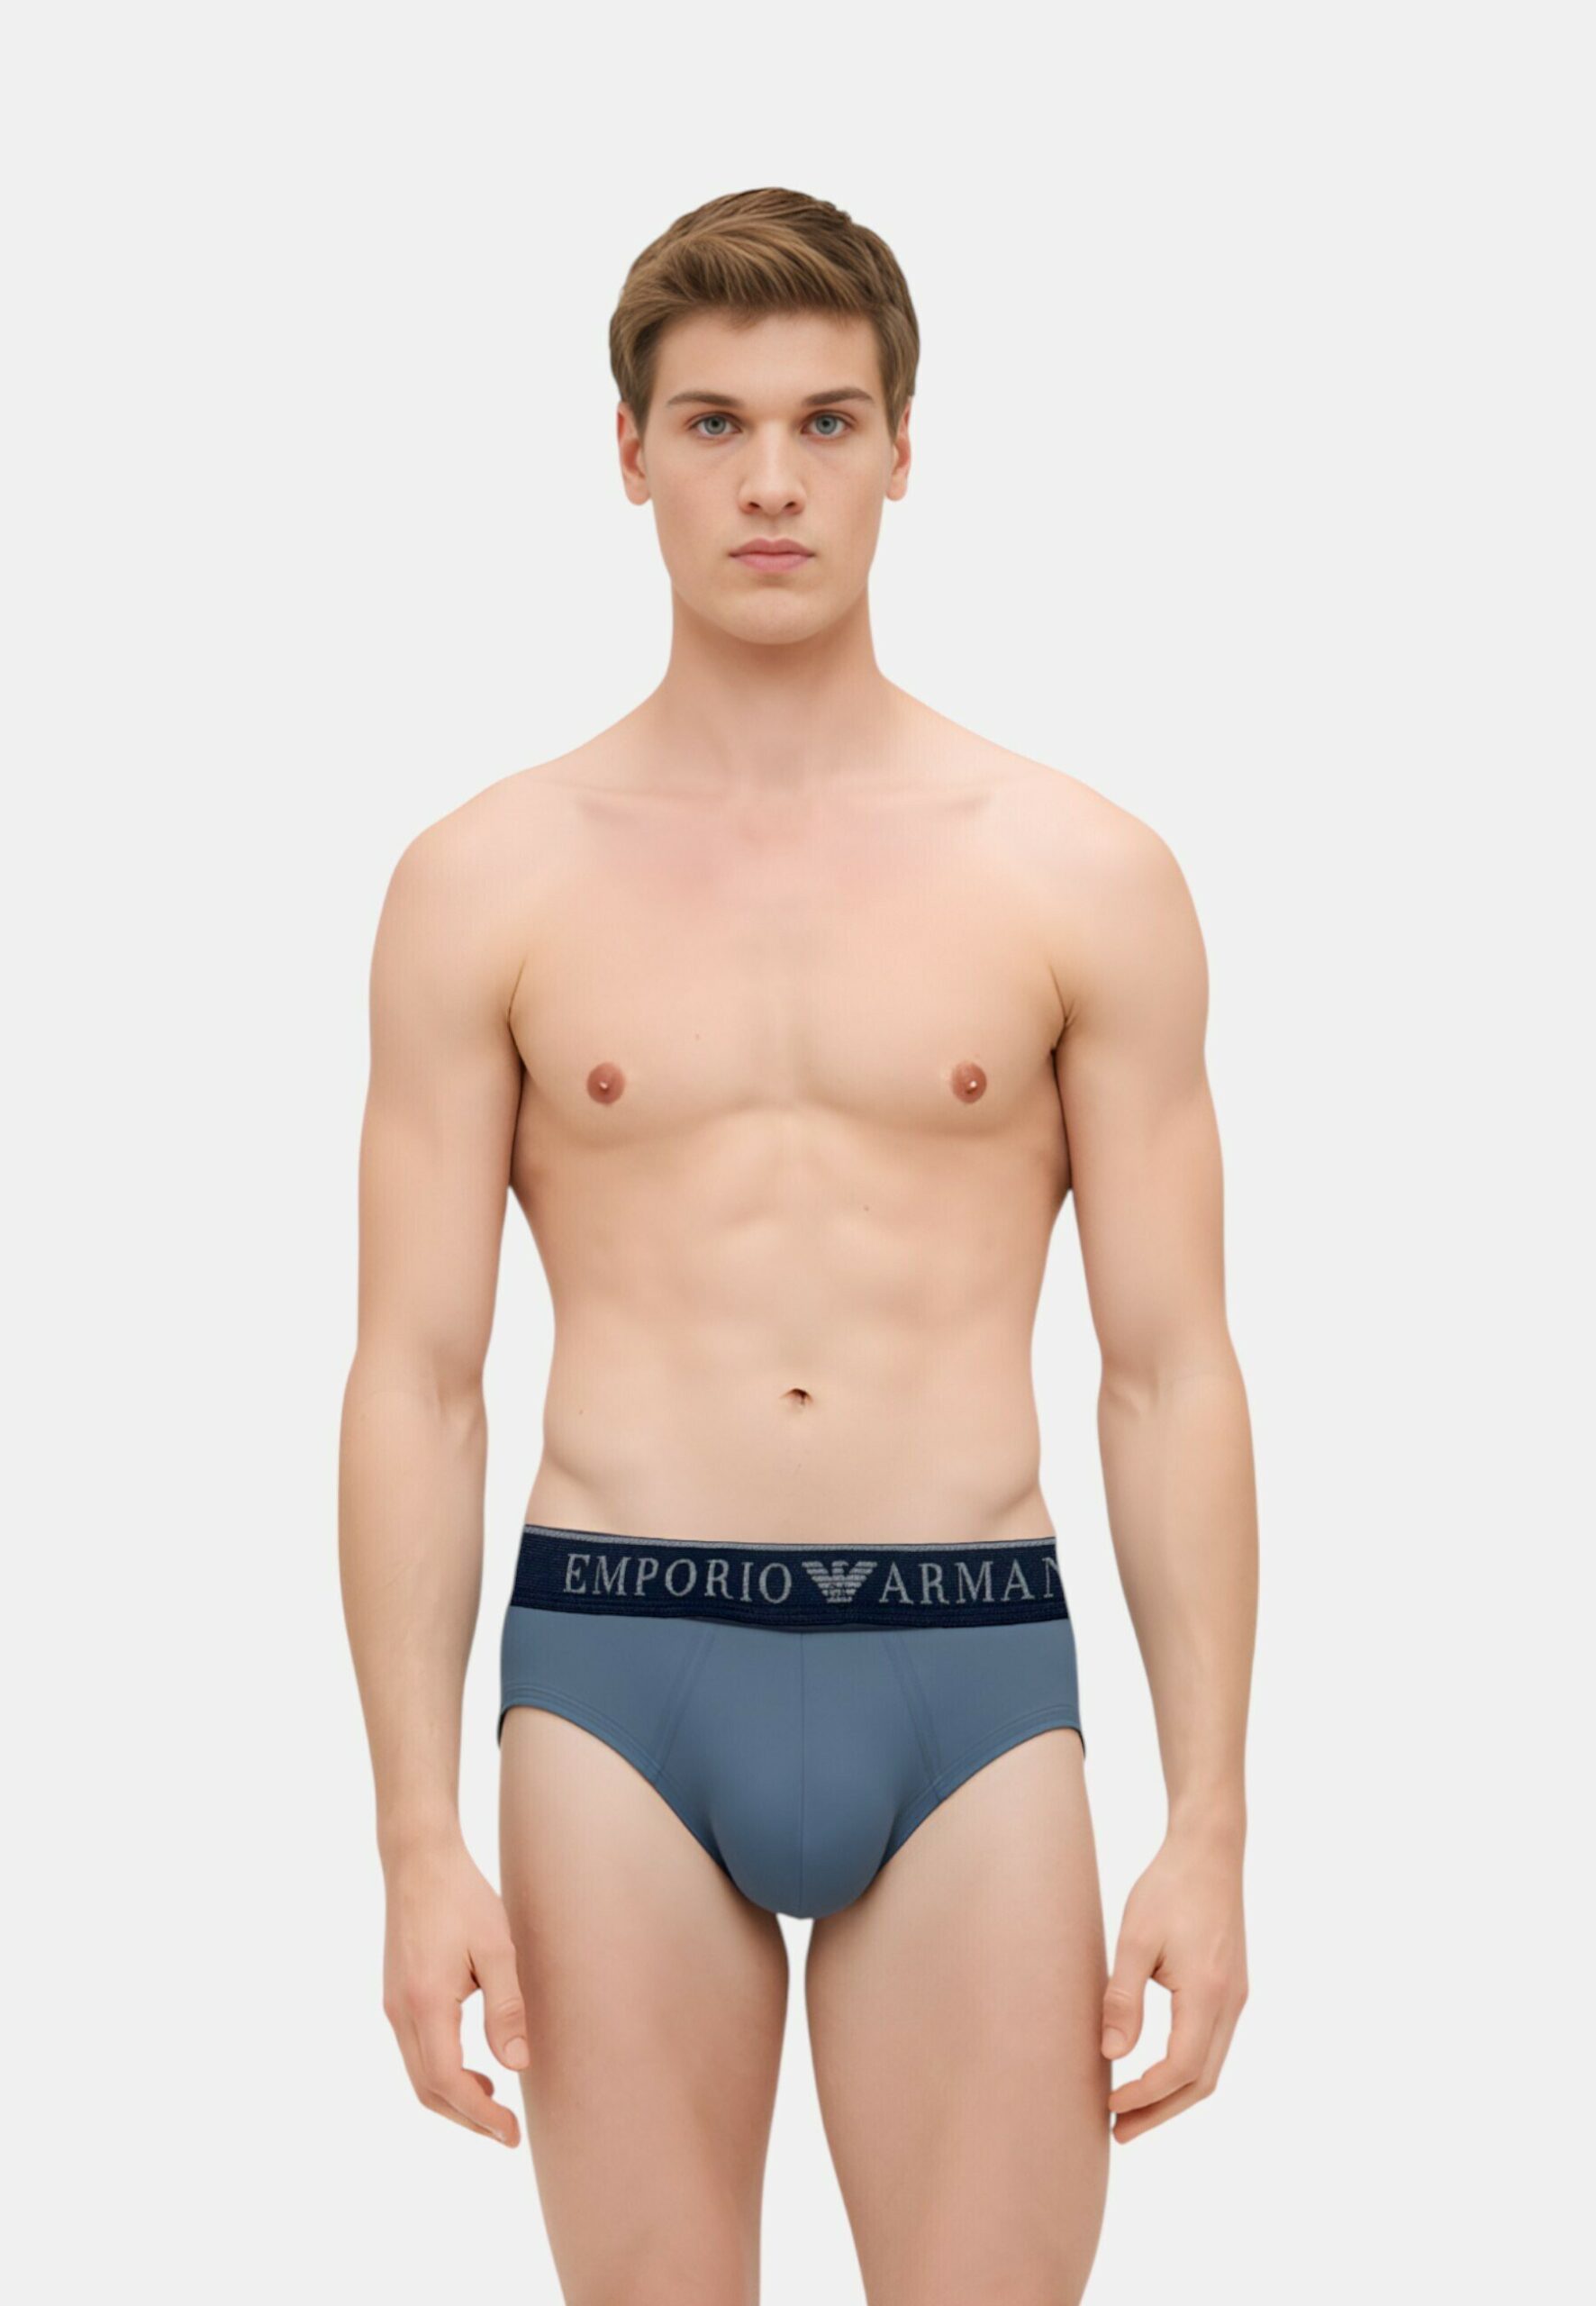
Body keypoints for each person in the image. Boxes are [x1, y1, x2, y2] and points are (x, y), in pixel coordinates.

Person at [340, 185, 1257, 2305]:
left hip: (969, 1666)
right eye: (717, 423)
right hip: (614, 1670)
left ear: (902, 448)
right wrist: (412, 1837)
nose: (772, 480)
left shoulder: (1079, 871)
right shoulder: (483, 880)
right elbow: (417, 1376)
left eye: (826, 422)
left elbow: (1167, 1367)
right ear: (630, 452)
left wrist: (1207, 1824)